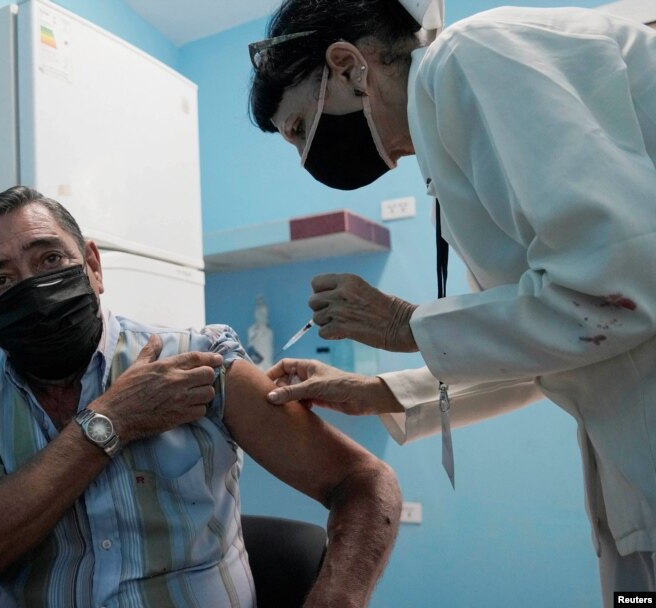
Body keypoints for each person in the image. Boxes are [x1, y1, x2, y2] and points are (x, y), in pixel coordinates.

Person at [248, 0, 656, 601]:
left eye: (300, 130)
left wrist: (404, 323)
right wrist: (373, 392)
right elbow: (547, 340)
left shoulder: (470, 57)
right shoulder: (448, 134)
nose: (310, 157)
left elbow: (615, 293)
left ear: (347, 65)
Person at [0, 186, 401, 608]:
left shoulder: (201, 361)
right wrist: (113, 419)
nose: (34, 287)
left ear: (93, 266)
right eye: (2, 281)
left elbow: (363, 481)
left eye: (50, 259)